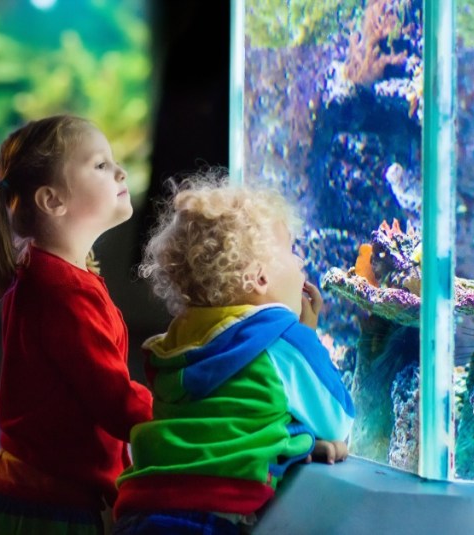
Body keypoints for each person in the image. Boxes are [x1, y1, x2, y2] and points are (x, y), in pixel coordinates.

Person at [113, 173, 355, 534]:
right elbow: (338, 421)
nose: (301, 260)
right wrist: (307, 338)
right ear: (259, 278)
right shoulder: (282, 335)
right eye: (292, 250)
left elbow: (225, 417)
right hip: (218, 510)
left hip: (144, 503)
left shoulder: (176, 339)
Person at [0, 115, 154, 534]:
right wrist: (180, 417)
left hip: (34, 498)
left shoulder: (47, 275)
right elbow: (113, 400)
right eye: (100, 165)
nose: (120, 171)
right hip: (47, 510)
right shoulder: (63, 292)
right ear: (53, 200)